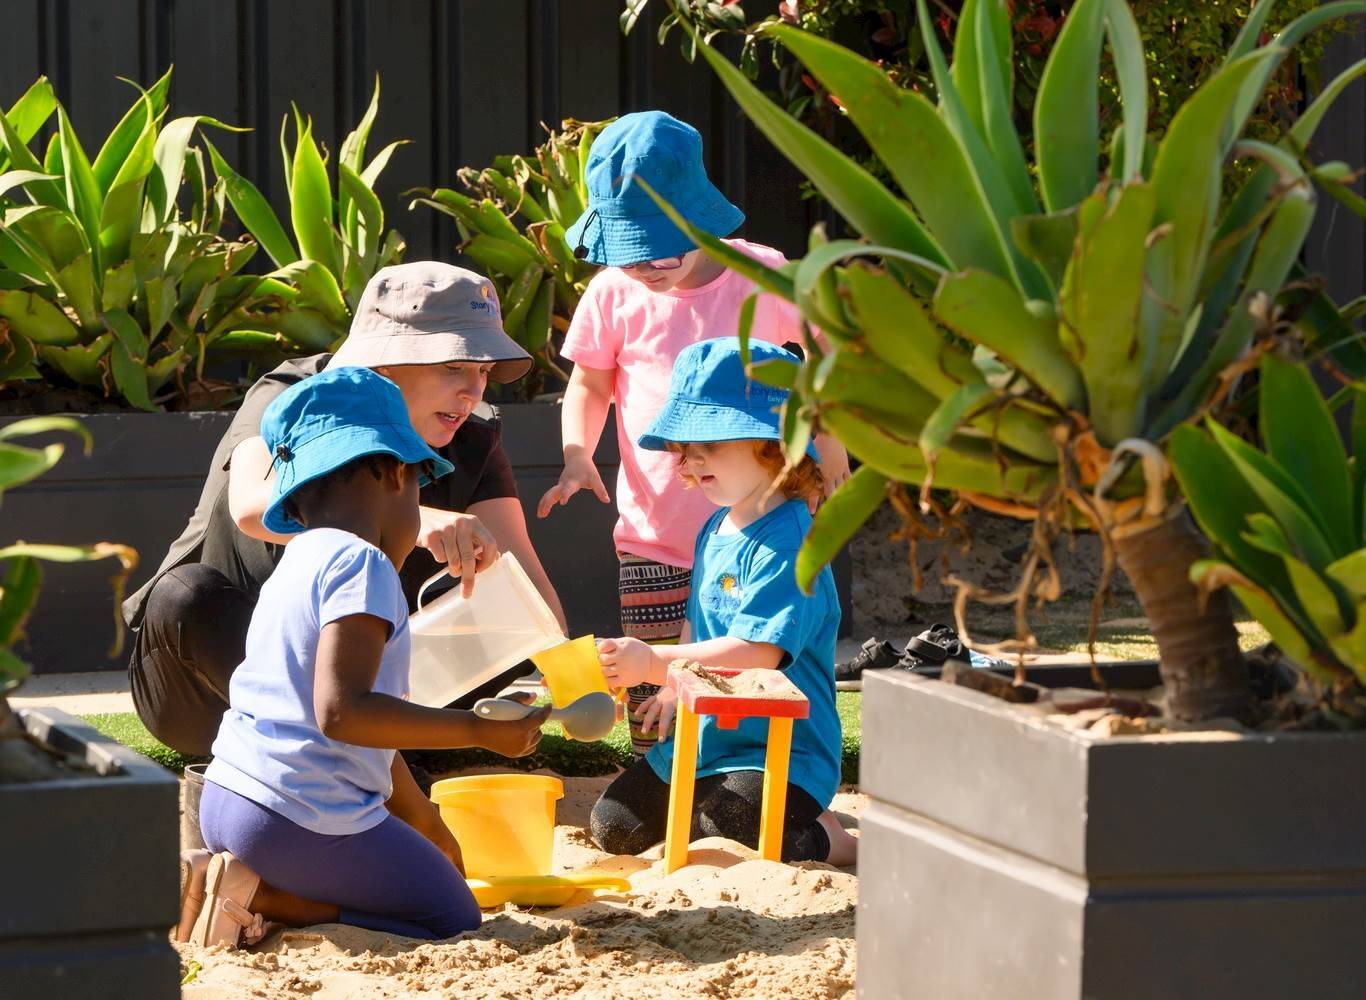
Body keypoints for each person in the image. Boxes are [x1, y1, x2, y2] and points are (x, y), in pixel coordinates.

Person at [124, 261, 566, 756]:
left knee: (503, 622)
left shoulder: (474, 431)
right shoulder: (290, 396)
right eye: (453, 366)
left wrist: (574, 674)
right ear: (383, 363)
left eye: (483, 370)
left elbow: (523, 577)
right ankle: (368, 750)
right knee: (185, 595)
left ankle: (379, 745)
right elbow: (252, 507)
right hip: (212, 680)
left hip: (358, 682)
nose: (474, 389)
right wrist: (422, 521)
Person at [181, 367, 552, 948]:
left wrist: (424, 820)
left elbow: (358, 732)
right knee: (450, 915)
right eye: (417, 491)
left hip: (230, 795)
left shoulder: (300, 559)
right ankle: (259, 897)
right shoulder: (364, 564)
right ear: (393, 471)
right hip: (295, 818)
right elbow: (345, 712)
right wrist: (479, 731)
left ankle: (238, 881)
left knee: (421, 882)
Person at [537, 110, 848, 758]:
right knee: (658, 711)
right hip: (656, 537)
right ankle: (666, 799)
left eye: (656, 244)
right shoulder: (612, 294)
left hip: (760, 529)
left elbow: (820, 375)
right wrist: (575, 455)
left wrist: (834, 450)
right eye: (626, 250)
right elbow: (590, 386)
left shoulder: (765, 277)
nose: (643, 264)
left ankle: (775, 798)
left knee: (752, 694)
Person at [587, 339, 855, 867]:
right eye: (684, 444)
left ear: (777, 444)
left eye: (710, 438)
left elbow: (759, 652)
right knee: (612, 826)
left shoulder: (792, 543)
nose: (690, 458)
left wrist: (658, 661)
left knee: (727, 826)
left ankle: (830, 837)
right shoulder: (716, 525)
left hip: (784, 749)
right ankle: (741, 816)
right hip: (709, 739)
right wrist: (672, 685)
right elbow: (697, 620)